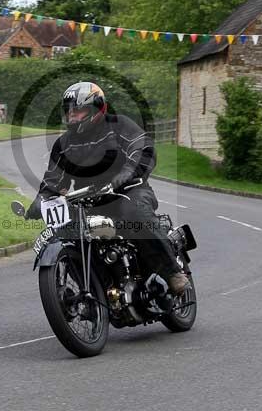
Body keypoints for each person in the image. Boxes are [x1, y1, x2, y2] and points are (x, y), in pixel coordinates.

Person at [26, 81, 190, 295]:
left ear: (96, 108)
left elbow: (143, 148)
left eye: (78, 110)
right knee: (67, 230)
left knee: (134, 214)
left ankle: (172, 272)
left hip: (129, 191)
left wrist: (126, 174)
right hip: (89, 200)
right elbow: (54, 180)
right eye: (69, 111)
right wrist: (41, 200)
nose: (72, 116)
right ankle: (97, 287)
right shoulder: (63, 144)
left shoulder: (119, 125)